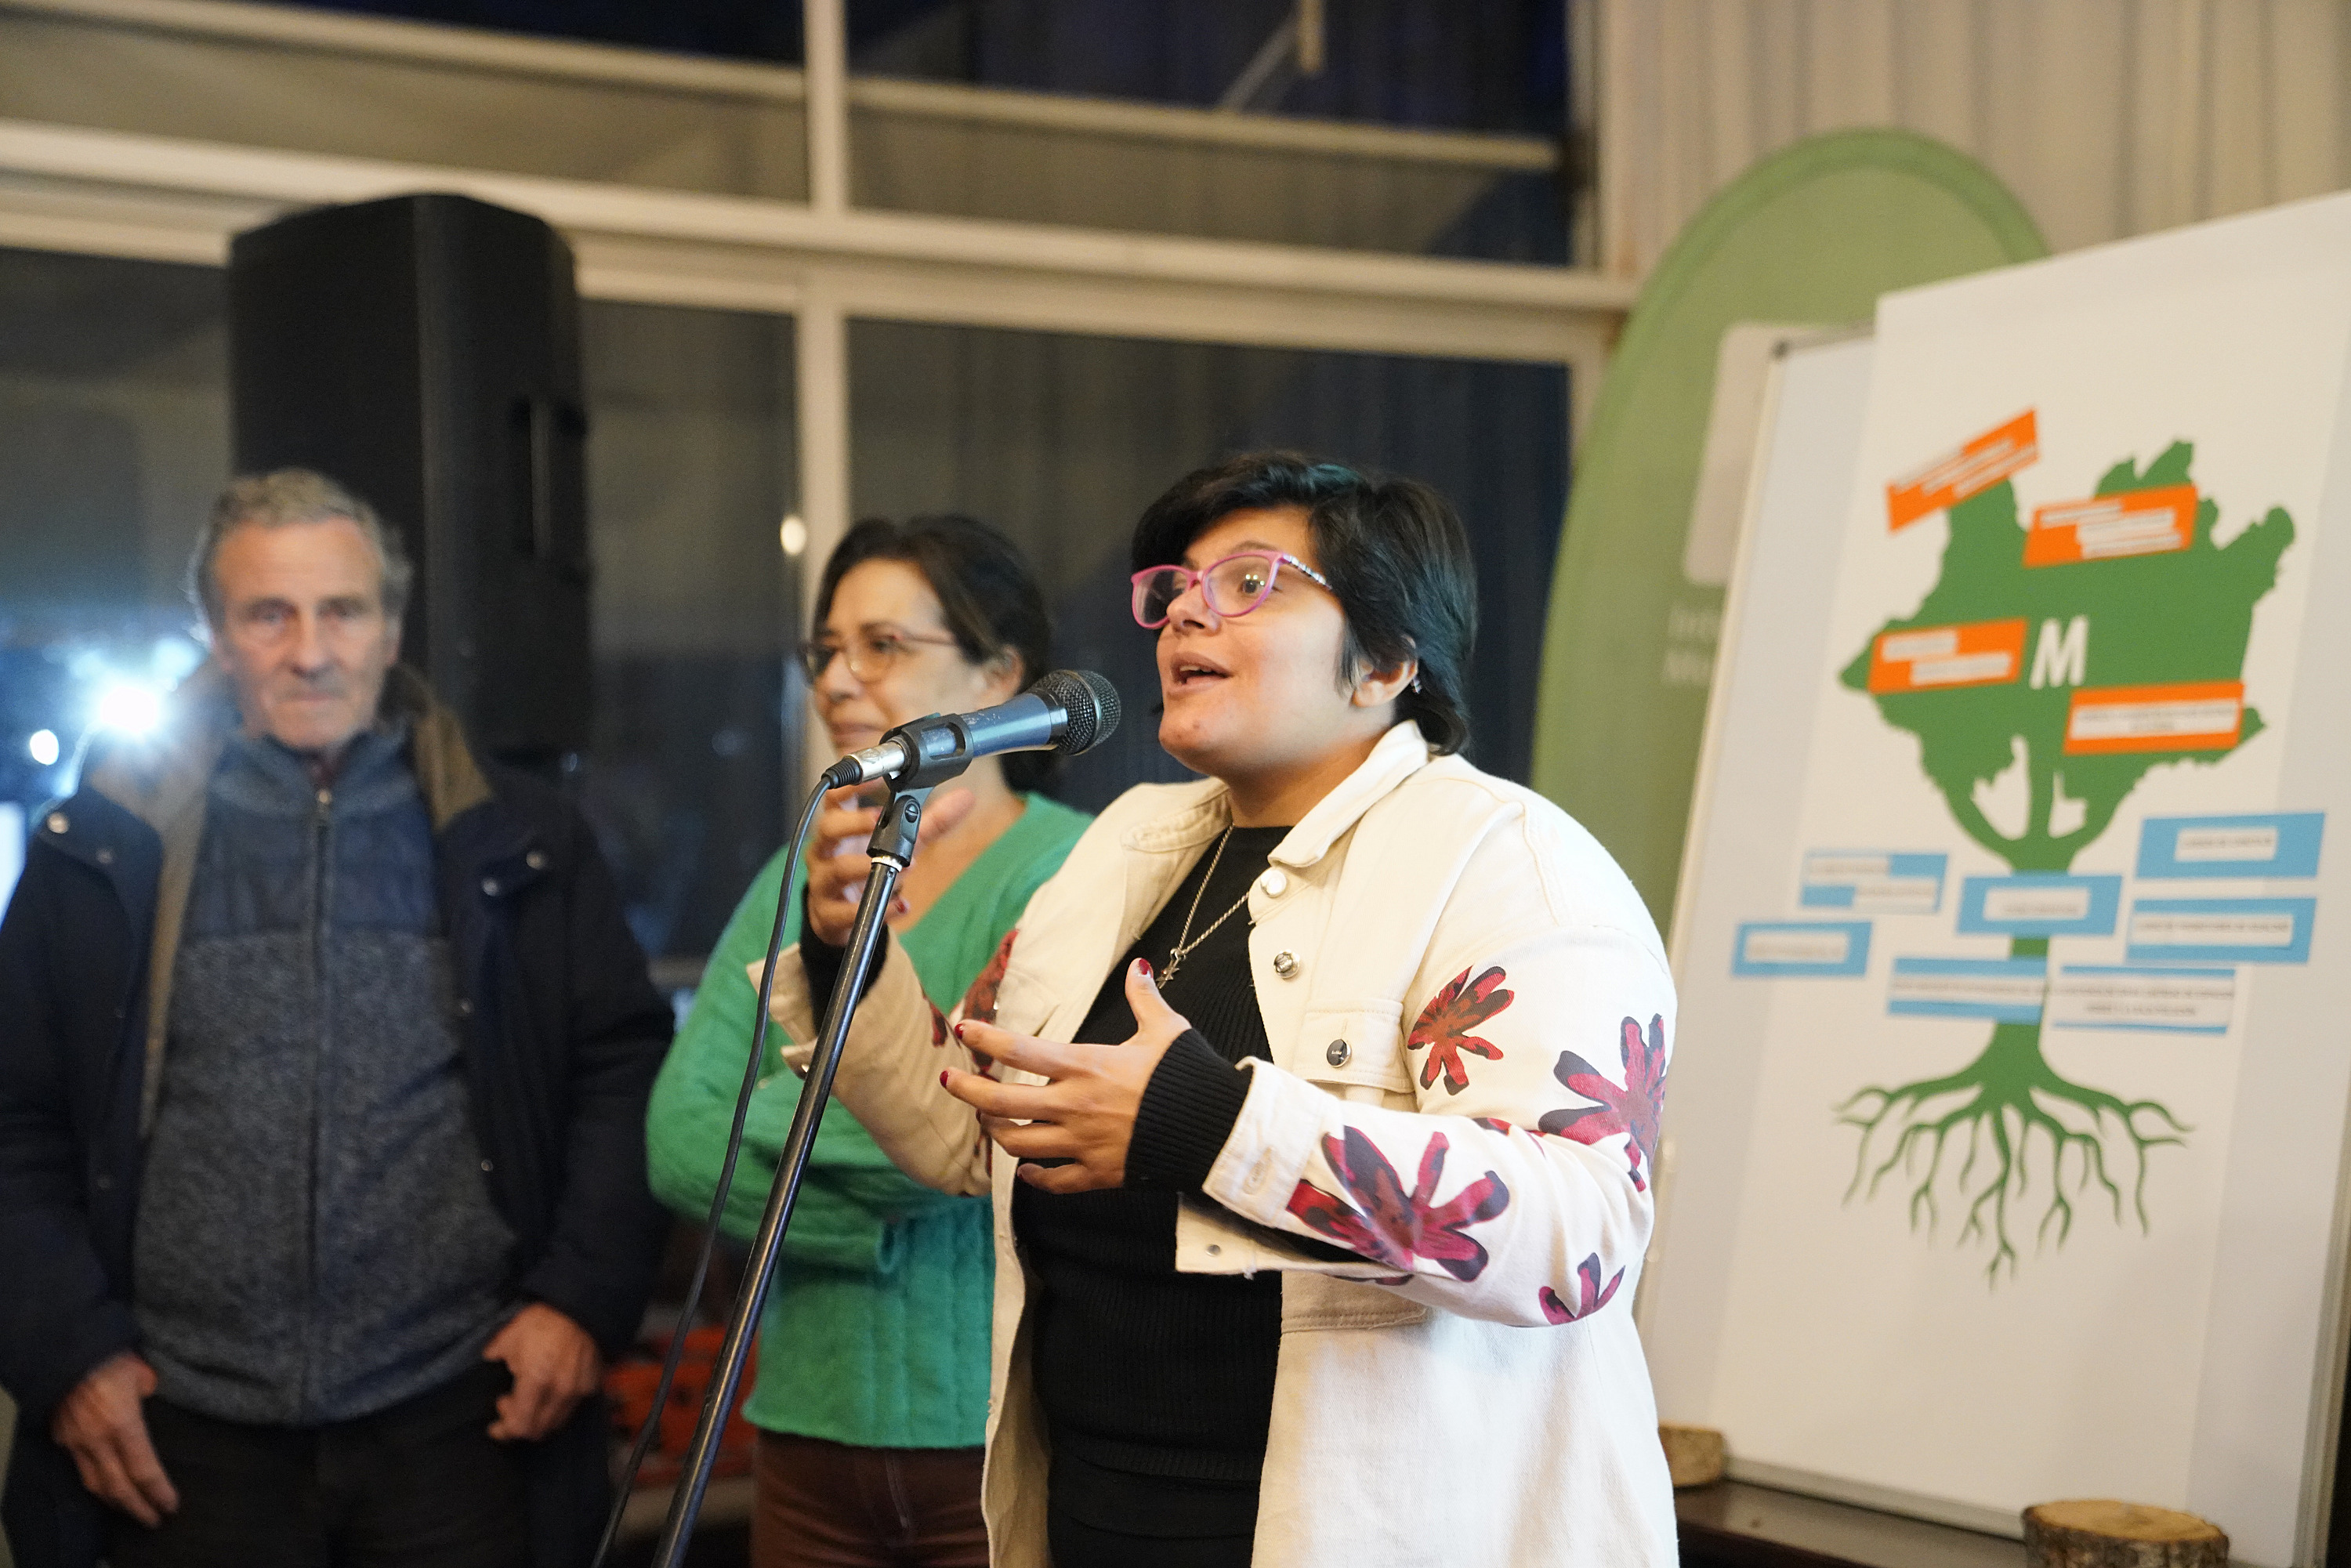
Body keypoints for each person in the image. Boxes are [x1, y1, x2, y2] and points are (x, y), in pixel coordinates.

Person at [754, 454, 1680, 1566]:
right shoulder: (1125, 847)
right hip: (1094, 1518)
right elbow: (970, 1131)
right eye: (1176, 588)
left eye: (1249, 583)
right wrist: (843, 951)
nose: (1186, 612)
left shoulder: (1508, 863)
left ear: (1388, 659)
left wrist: (1208, 1123)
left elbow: (1578, 1234)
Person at [0, 470, 674, 1568]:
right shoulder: (107, 843)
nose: (311, 652)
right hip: (178, 1432)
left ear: (391, 630)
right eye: (269, 614)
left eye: (343, 611)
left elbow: (620, 1073)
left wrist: (579, 1302)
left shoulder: (519, 838)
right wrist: (67, 1351)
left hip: (463, 1421)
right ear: (216, 636)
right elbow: (13, 1118)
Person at [646, 515, 1090, 1568]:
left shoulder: (1070, 868)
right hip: (804, 1428)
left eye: (882, 645)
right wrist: (880, 1208)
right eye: (827, 650)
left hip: (997, 1432)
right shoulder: (799, 872)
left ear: (999, 674)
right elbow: (677, 1140)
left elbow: (989, 1141)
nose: (840, 679)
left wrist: (782, 1107)